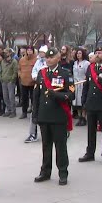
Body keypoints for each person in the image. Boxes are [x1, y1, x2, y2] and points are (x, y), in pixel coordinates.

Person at [32, 47, 75, 185]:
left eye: (51, 57)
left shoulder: (65, 73)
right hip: (44, 115)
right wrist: (35, 115)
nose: (49, 59)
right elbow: (36, 96)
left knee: (60, 146)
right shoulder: (41, 73)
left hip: (58, 115)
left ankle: (63, 173)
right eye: (47, 57)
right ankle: (45, 171)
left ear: (58, 58)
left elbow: (71, 94)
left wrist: (56, 95)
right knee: (46, 146)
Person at [79, 46, 102, 165]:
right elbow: (86, 86)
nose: (98, 55)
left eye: (100, 53)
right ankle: (90, 153)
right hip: (91, 103)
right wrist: (84, 102)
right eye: (96, 53)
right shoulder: (91, 68)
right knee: (91, 130)